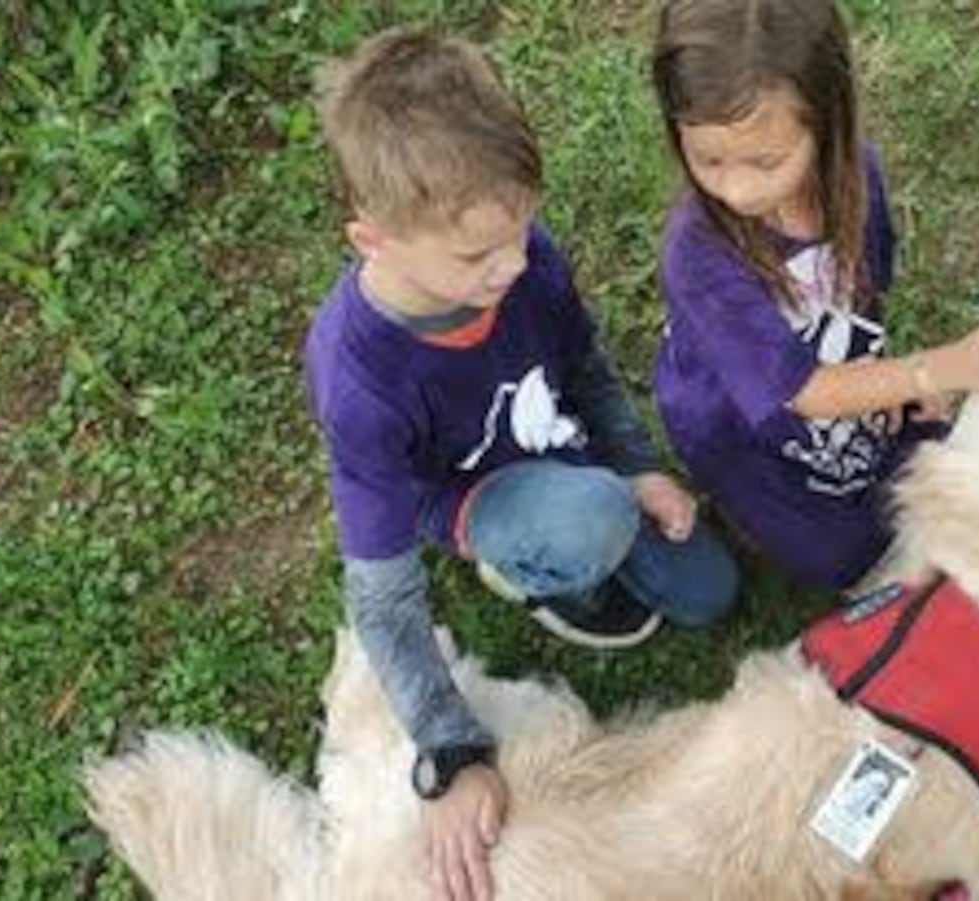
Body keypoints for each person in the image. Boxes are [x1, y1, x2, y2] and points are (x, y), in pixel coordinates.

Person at [304, 26, 739, 901]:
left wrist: (640, 466)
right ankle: (533, 572)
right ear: (373, 239)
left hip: (569, 458)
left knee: (709, 592)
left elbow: (584, 371)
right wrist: (451, 751)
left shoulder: (523, 259)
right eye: (474, 255)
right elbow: (382, 597)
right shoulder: (361, 377)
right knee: (592, 523)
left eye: (523, 228)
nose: (513, 262)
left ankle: (595, 514)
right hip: (484, 498)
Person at [650, 0, 979, 591]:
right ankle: (744, 511)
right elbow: (799, 392)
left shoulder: (857, 175)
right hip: (742, 425)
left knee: (926, 473)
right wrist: (945, 369)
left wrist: (895, 377)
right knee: (843, 558)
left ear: (827, 121)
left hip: (830, 371)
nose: (737, 188)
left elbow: (862, 300)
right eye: (708, 159)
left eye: (766, 160)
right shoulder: (696, 254)